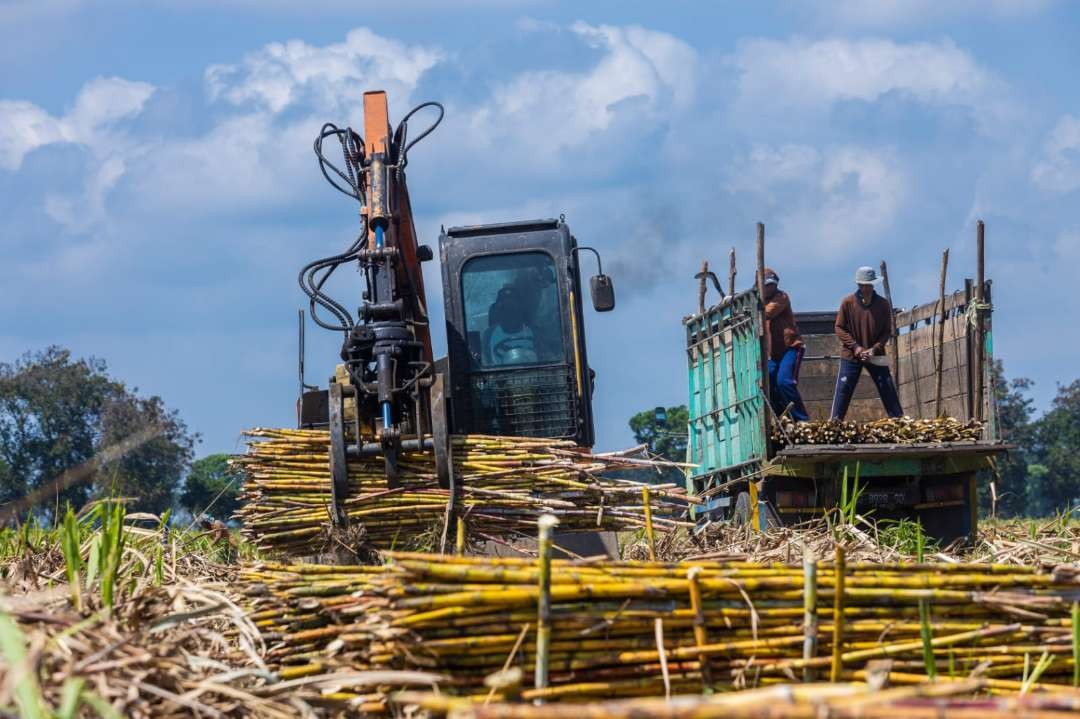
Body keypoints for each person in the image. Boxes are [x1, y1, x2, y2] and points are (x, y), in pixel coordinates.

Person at [830, 266, 903, 420]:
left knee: (887, 386)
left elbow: (886, 332)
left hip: (875, 354)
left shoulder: (883, 304)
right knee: (844, 388)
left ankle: (898, 420)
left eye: (870, 285)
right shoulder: (848, 303)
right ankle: (835, 423)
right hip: (851, 354)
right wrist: (855, 347)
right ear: (859, 285)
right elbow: (839, 328)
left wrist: (874, 349)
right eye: (864, 285)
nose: (867, 288)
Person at [763, 268, 809, 422]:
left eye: (772, 285)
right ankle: (782, 419)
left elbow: (766, 313)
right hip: (773, 353)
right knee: (768, 381)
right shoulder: (759, 301)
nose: (771, 288)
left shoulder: (781, 297)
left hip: (791, 348)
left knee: (784, 381)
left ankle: (801, 420)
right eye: (767, 285)